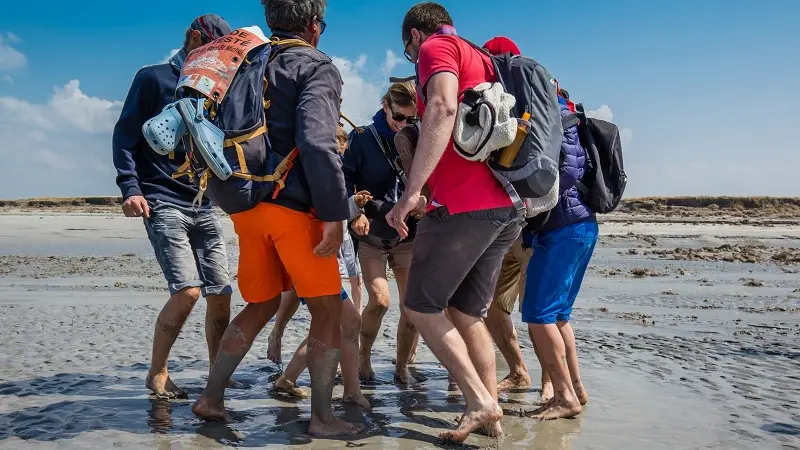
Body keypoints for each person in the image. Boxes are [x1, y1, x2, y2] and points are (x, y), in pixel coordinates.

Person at [192, 0, 362, 437]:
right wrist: (333, 213)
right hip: (293, 210)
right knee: (327, 312)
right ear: (314, 26)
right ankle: (323, 419)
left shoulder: (245, 60)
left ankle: (211, 397)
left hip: (245, 207)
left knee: (261, 303)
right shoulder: (315, 65)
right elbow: (318, 142)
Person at [387, 3, 522, 442]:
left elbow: (443, 107)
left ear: (412, 35)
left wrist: (412, 192)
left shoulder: (437, 47)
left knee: (421, 306)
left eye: (408, 45)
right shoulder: (480, 55)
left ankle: (480, 400)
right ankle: (492, 417)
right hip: (507, 205)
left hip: (464, 205)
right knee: (467, 312)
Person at [112, 14, 233, 399]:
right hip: (161, 199)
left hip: (204, 201)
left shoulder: (214, 90)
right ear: (196, 38)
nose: (217, 59)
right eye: (213, 49)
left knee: (222, 292)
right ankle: (157, 373)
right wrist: (130, 188)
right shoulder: (153, 78)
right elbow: (124, 136)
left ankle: (217, 376)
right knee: (188, 291)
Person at [273, 124, 369, 409]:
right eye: (339, 153)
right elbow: (322, 207)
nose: (341, 159)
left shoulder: (311, 168)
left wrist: (354, 204)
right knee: (342, 323)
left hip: (311, 258)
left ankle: (290, 380)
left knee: (339, 324)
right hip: (310, 258)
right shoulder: (315, 168)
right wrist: (352, 203)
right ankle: (345, 394)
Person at [342, 81, 424, 385]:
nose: (403, 124)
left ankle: (401, 368)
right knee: (379, 300)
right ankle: (363, 360)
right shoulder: (362, 138)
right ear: (385, 105)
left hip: (407, 235)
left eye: (410, 119)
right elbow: (344, 180)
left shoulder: (418, 138)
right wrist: (356, 214)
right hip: (372, 237)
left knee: (412, 307)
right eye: (398, 117)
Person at [522, 88, 596, 420]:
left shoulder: (555, 118)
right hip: (580, 225)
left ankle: (565, 397)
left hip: (562, 228)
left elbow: (564, 174)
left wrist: (524, 201)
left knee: (539, 315)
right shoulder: (571, 117)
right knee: (559, 315)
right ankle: (576, 389)